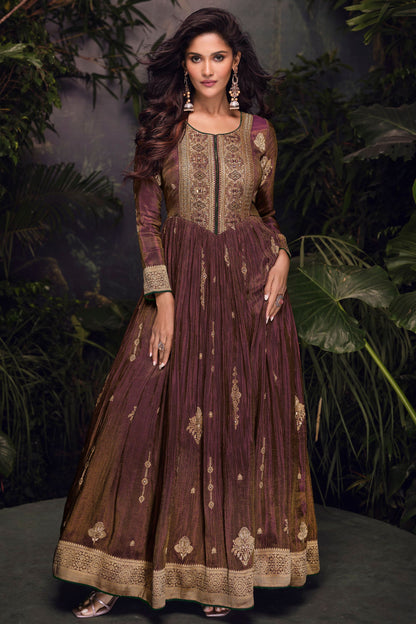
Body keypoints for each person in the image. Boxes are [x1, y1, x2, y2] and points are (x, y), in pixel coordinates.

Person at [53, 7, 320, 619]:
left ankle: (221, 577)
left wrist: (282, 258)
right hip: (180, 289)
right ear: (184, 65)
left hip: (251, 297)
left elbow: (266, 213)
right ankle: (113, 574)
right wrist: (164, 301)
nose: (206, 68)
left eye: (217, 57)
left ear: (236, 63)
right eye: (196, 58)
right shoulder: (164, 132)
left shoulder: (260, 133)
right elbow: (148, 223)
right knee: (140, 421)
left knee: (235, 430)